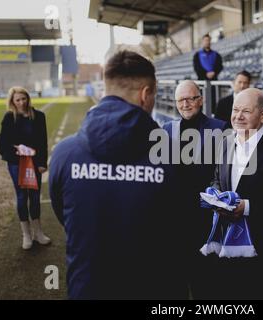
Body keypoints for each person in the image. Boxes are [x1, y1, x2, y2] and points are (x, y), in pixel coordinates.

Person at [49, 50, 186, 299]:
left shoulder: (64, 153)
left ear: (105, 88)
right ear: (146, 94)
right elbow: (180, 226)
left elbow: (64, 215)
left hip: (88, 288)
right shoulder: (172, 154)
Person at [207, 88, 263, 299]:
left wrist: (246, 207)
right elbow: (217, 178)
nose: (238, 116)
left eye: (246, 111)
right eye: (235, 110)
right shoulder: (225, 143)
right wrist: (217, 196)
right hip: (225, 249)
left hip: (262, 253)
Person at [162, 80, 227, 299]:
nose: (186, 104)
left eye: (191, 98)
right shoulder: (167, 129)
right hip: (175, 219)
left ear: (201, 100)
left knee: (206, 280)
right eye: (181, 99)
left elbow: (225, 172)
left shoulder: (220, 128)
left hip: (207, 217)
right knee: (176, 281)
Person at [0, 86, 50, 250]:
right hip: (16, 163)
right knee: (21, 196)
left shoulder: (39, 116)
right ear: (12, 101)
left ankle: (38, 233)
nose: (21, 102)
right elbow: (3, 142)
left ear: (28, 98)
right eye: (17, 100)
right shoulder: (9, 118)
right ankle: (26, 235)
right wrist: (18, 149)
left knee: (35, 197)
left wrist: (42, 163)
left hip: (34, 163)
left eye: (23, 98)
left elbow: (43, 141)